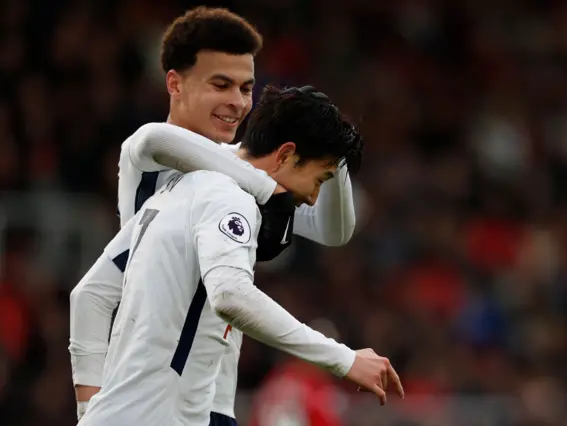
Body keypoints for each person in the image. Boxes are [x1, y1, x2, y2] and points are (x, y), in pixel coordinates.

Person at [69, 7, 357, 423]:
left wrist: (334, 140)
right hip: (158, 399)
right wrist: (90, 406)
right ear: (175, 83)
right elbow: (153, 138)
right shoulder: (179, 172)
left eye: (246, 88)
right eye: (221, 84)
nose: (238, 102)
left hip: (206, 401)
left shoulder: (241, 173)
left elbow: (335, 231)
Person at [77, 85, 401, 426]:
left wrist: (91, 414)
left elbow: (90, 294)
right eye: (318, 179)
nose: (311, 198)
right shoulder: (229, 198)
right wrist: (343, 359)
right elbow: (231, 295)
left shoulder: (180, 192)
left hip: (150, 412)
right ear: (287, 155)